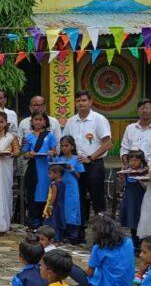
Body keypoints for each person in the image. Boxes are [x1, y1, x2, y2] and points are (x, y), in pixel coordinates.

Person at [62, 90, 112, 235]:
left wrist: (90, 158)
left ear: (90, 102)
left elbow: (108, 143)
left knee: (97, 198)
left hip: (93, 164)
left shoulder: (99, 119)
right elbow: (65, 143)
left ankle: (103, 233)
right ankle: (79, 233)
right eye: (78, 101)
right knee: (78, 197)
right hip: (76, 164)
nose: (81, 103)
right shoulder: (71, 121)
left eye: (84, 100)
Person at [22, 112, 57, 229]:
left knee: (45, 192)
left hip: (46, 169)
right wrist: (29, 154)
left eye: (40, 119)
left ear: (45, 122)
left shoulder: (50, 136)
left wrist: (50, 152)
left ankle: (46, 222)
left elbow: (55, 151)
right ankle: (34, 222)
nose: (38, 122)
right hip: (33, 168)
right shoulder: (28, 137)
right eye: (36, 119)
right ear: (32, 122)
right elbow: (24, 154)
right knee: (33, 193)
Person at [49, 136, 84, 244]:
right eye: (62, 146)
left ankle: (73, 235)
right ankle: (61, 233)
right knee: (61, 208)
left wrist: (71, 169)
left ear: (72, 146)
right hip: (61, 187)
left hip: (72, 187)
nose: (64, 148)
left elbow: (79, 176)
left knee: (72, 208)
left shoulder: (76, 159)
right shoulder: (59, 159)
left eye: (66, 145)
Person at [85, 215, 135, 286]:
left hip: (105, 283)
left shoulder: (98, 248)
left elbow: (89, 273)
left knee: (72, 267)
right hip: (126, 283)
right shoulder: (129, 242)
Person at [118, 151, 147, 250]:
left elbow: (146, 187)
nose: (133, 163)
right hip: (129, 201)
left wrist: (140, 178)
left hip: (140, 200)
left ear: (141, 161)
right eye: (131, 160)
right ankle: (135, 244)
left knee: (140, 220)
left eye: (136, 160)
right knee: (132, 221)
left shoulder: (144, 171)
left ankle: (142, 243)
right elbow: (122, 188)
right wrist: (122, 178)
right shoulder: (127, 172)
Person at [42, 165, 66, 241]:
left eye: (50, 173)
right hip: (61, 205)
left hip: (54, 206)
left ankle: (54, 238)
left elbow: (53, 197)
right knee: (59, 221)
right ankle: (59, 237)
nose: (49, 175)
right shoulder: (62, 183)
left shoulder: (54, 184)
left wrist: (49, 206)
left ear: (57, 174)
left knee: (53, 222)